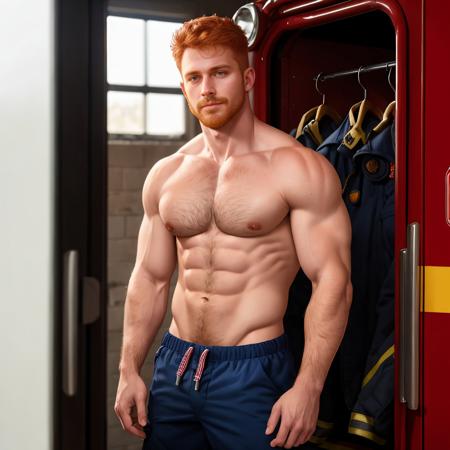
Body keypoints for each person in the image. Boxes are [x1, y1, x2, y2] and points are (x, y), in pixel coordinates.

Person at [114, 15, 353, 450]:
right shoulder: (167, 174)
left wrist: (309, 386)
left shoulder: (296, 166)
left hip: (254, 370)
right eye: (194, 77)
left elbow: (331, 280)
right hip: (175, 365)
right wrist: (129, 370)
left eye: (219, 73)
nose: (206, 88)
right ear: (183, 85)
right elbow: (150, 279)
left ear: (247, 78)